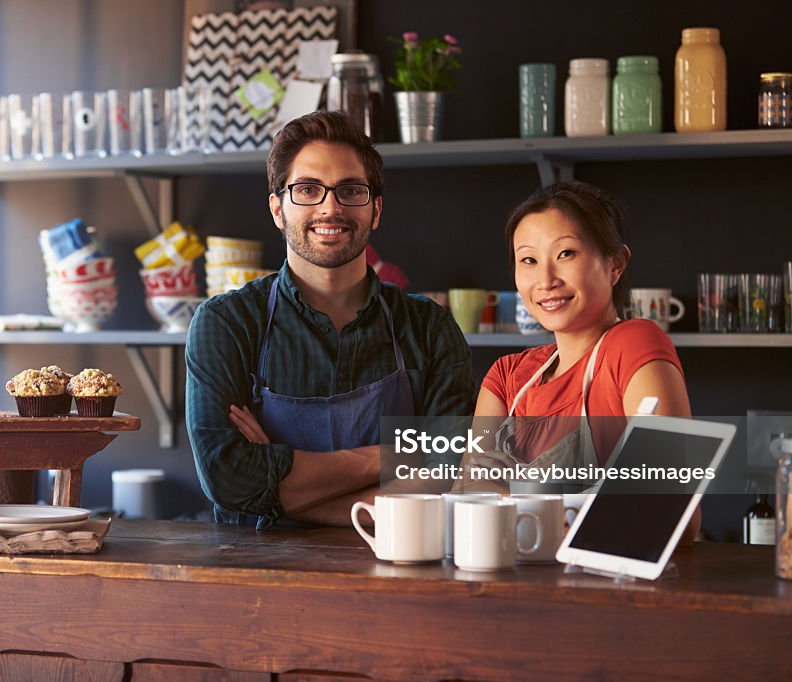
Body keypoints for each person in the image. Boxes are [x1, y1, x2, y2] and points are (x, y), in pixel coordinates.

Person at [185, 111, 475, 529]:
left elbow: (446, 480)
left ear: (375, 210)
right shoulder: (226, 323)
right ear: (277, 210)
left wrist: (273, 491)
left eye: (350, 190)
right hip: (256, 581)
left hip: (399, 579)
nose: (330, 207)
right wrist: (398, 455)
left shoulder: (429, 328)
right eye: (307, 189)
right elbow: (228, 479)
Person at [467, 181, 698, 538]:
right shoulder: (507, 376)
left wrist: (519, 514)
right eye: (528, 260)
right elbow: (469, 500)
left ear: (615, 264)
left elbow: (671, 513)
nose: (545, 280)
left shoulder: (632, 346)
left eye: (566, 254)